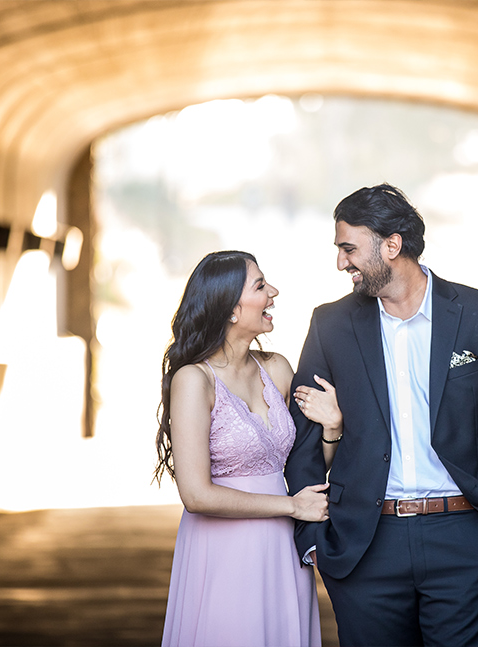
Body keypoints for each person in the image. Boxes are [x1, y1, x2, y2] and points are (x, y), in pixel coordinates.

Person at [286, 184, 478, 647]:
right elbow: (301, 440)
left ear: (392, 244)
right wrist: (313, 538)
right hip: (366, 547)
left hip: (464, 539)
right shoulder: (330, 325)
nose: (341, 263)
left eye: (349, 248)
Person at [155, 250, 342, 647]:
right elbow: (195, 495)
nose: (273, 292)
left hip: (281, 548)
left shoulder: (277, 368)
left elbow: (303, 466)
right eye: (260, 286)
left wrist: (333, 428)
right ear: (230, 310)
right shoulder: (195, 380)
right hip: (224, 551)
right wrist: (292, 507)